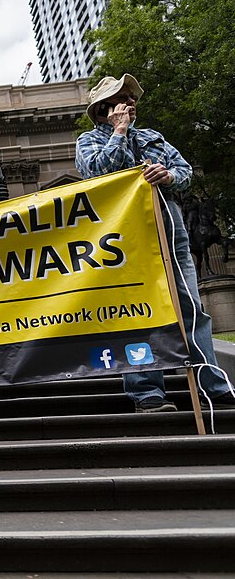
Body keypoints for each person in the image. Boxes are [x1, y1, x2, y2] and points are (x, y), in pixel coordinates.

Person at [75, 74, 235, 413]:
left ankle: (213, 386)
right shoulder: (89, 142)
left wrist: (170, 176)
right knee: (138, 312)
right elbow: (98, 174)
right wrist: (118, 134)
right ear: (105, 108)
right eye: (124, 98)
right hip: (126, 237)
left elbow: (185, 172)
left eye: (132, 97)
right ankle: (147, 392)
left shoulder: (152, 137)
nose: (132, 102)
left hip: (170, 231)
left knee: (191, 307)